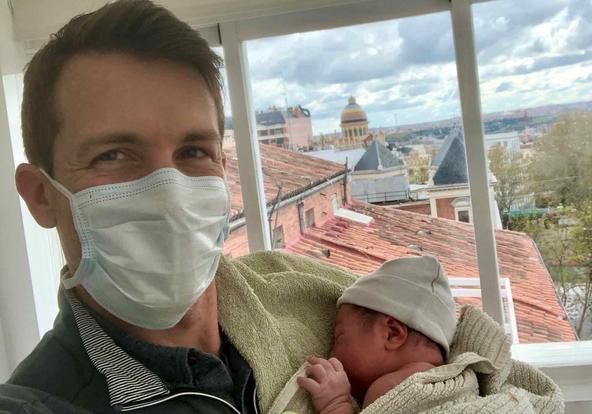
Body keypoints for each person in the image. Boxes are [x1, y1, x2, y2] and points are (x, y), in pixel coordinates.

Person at [0, 1, 563, 413]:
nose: (169, 192)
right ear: (41, 195)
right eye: (115, 154)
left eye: (193, 150)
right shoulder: (44, 401)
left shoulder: (294, 295)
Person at [298, 256, 455, 414]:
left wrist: (335, 404)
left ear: (391, 334)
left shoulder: (391, 388)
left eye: (339, 338)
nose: (331, 353)